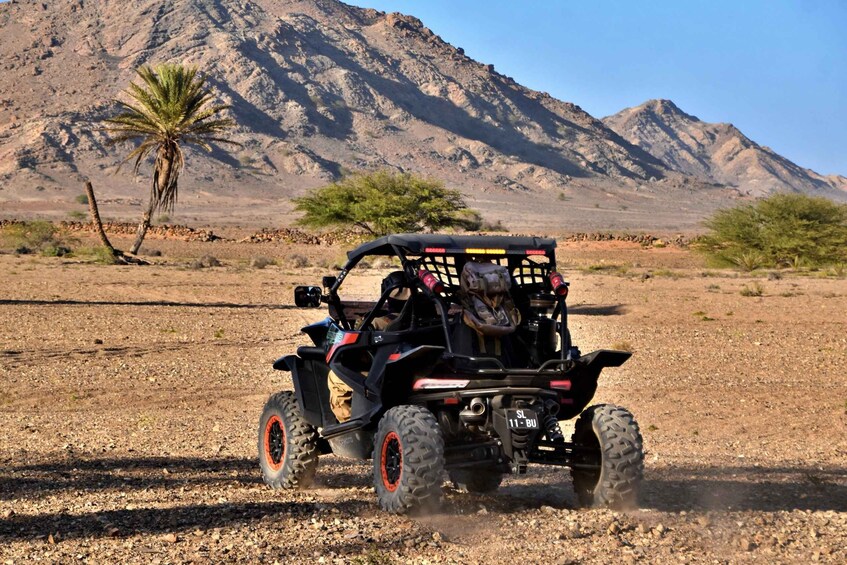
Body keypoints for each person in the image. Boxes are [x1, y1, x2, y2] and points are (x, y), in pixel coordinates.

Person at [327, 273, 410, 422]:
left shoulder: (379, 323)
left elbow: (355, 340)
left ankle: (348, 428)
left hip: (384, 375)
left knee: (335, 378)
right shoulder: (430, 319)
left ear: (387, 296)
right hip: (415, 370)